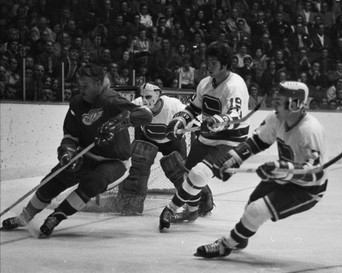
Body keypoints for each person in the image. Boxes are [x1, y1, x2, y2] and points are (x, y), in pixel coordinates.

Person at [1, 63, 153, 238]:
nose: (81, 90)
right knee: (53, 180)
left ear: (98, 84)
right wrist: (67, 152)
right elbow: (71, 136)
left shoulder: (111, 100)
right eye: (79, 85)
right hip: (85, 155)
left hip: (114, 161)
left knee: (91, 183)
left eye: (85, 86)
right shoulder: (76, 104)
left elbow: (146, 115)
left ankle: (56, 216)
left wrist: (117, 123)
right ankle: (24, 217)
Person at [194, 81, 329, 258]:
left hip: (308, 189)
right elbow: (258, 141)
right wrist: (232, 159)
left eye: (279, 102)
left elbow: (315, 175)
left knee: (256, 210)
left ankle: (226, 244)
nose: (274, 105)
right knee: (252, 204)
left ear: (295, 105)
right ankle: (240, 238)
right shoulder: (277, 119)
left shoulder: (310, 130)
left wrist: (283, 168)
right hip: (285, 175)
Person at [159, 42, 251, 231]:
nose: (208, 66)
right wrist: (179, 121)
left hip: (230, 140)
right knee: (187, 175)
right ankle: (192, 211)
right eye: (207, 62)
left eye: (213, 63)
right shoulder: (205, 83)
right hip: (208, 136)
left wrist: (217, 120)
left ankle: (170, 208)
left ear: (225, 65)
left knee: (199, 174)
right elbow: (193, 108)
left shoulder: (235, 85)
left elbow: (235, 114)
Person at [117, 83, 214, 216]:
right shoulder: (137, 104)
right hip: (147, 138)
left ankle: (201, 201)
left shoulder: (173, 106)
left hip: (173, 141)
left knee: (181, 170)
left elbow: (192, 118)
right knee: (137, 163)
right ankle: (130, 202)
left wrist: (202, 131)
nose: (145, 100)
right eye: (143, 96)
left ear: (158, 95)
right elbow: (121, 115)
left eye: (149, 96)